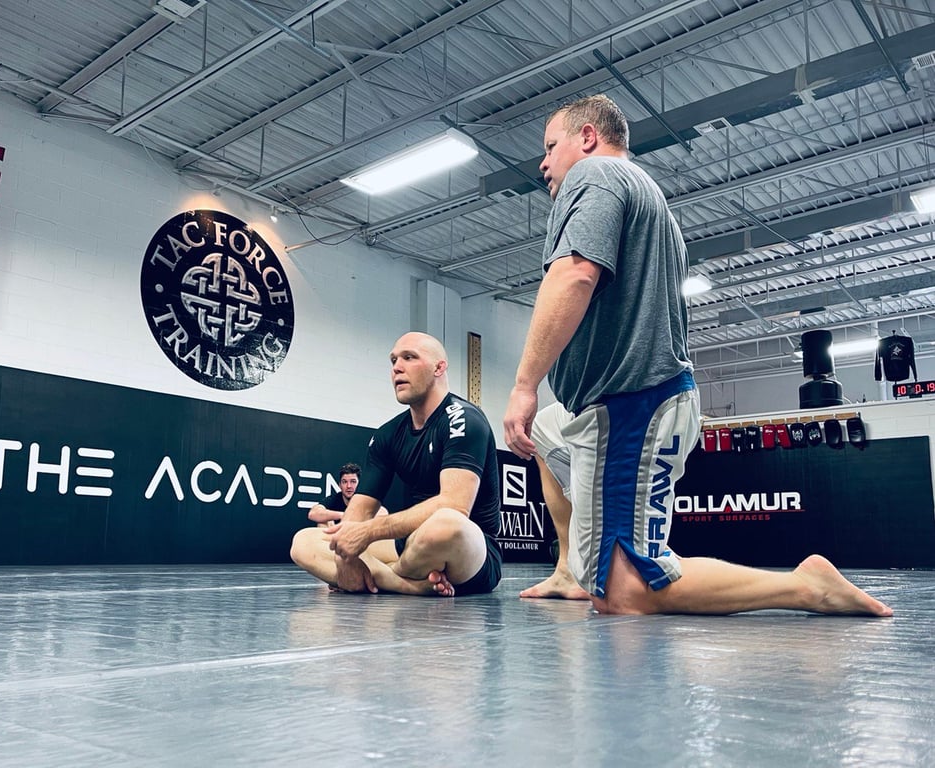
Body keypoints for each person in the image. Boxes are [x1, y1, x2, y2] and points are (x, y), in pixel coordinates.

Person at [503, 94, 892, 617]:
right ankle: (566, 566)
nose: (544, 163)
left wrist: (524, 384)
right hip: (625, 405)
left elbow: (574, 274)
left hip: (631, 407)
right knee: (545, 432)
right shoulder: (651, 204)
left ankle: (805, 586)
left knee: (624, 590)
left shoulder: (595, 175)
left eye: (551, 147)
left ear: (588, 137)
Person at [291, 332, 503, 597]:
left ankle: (384, 575)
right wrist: (345, 558)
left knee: (446, 523)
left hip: (468, 552)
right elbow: (359, 512)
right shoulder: (388, 434)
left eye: (409, 357)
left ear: (439, 368)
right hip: (409, 545)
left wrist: (368, 533)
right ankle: (408, 584)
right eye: (393, 360)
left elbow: (456, 505)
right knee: (304, 542)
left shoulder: (464, 418)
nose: (397, 368)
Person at [308, 462, 362, 528]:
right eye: (344, 482)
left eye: (353, 481)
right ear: (340, 485)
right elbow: (312, 514)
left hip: (358, 533)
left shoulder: (366, 500)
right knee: (324, 522)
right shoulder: (335, 499)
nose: (349, 486)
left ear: (360, 484)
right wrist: (342, 515)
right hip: (336, 533)